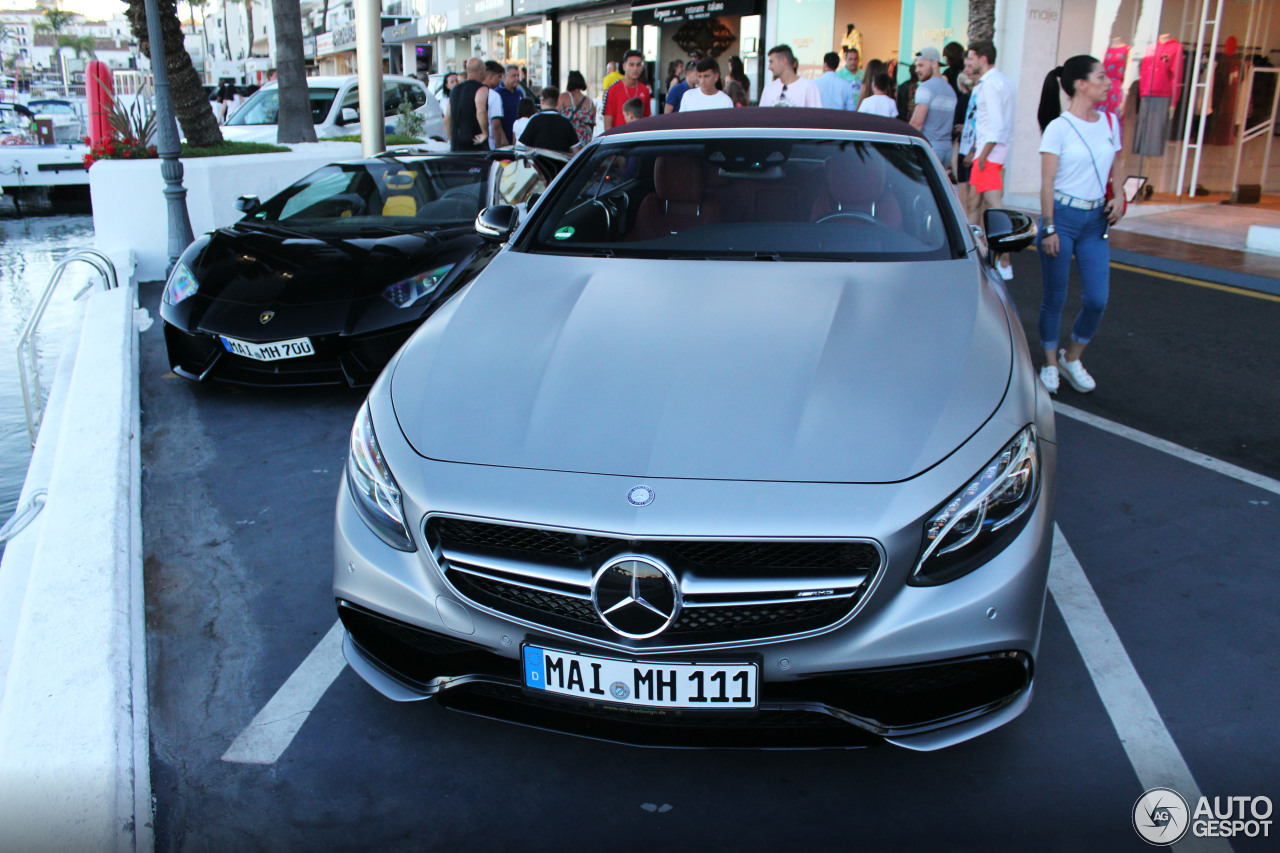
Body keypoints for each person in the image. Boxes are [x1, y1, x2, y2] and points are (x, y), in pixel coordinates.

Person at [1034, 55, 1125, 396]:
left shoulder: (1111, 123)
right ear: (1080, 84)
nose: (1108, 82)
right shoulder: (1059, 127)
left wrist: (1119, 197)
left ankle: (1072, 357)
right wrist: (1049, 227)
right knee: (1055, 297)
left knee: (1097, 299)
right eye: (1101, 77)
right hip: (1063, 217)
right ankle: (1049, 363)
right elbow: (1047, 183)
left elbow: (1117, 167)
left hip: (1096, 219)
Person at [963, 39, 1017, 279]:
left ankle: (1003, 261)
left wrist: (982, 154)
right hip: (992, 151)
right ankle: (977, 251)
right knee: (975, 201)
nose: (968, 62)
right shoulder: (1002, 82)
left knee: (992, 204)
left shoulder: (989, 85)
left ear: (983, 59)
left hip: (990, 153)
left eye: (971, 57)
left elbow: (995, 124)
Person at [910, 47, 957, 166]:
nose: (917, 70)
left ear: (935, 63)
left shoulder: (926, 87)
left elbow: (917, 123)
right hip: (946, 150)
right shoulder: (950, 90)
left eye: (921, 65)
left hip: (929, 148)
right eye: (916, 66)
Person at [520, 86, 580, 153]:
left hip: (539, 162)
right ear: (557, 102)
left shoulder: (534, 120)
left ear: (542, 101)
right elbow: (576, 150)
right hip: (561, 162)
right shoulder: (566, 122)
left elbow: (522, 146)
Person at [602, 49, 651, 130]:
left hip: (638, 138)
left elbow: (646, 119)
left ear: (642, 67)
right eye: (631, 65)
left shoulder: (645, 90)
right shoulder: (613, 90)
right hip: (619, 139)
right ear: (624, 66)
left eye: (638, 65)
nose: (635, 68)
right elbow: (607, 123)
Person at [446, 58, 487, 151]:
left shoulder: (454, 90)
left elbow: (447, 118)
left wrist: (451, 139)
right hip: (475, 142)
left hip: (457, 145)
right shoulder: (480, 89)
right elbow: (481, 110)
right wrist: (485, 133)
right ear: (481, 71)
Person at [557, 70, 595, 148]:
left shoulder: (563, 97)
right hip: (585, 139)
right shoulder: (590, 102)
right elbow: (592, 124)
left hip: (569, 138)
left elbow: (557, 117)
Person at [483, 60, 508, 149]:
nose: (501, 80)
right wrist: (498, 148)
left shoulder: (474, 92)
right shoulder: (494, 96)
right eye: (499, 76)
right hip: (490, 144)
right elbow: (496, 125)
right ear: (490, 76)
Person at [497, 64, 523, 143]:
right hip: (503, 140)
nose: (517, 78)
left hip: (518, 139)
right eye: (513, 76)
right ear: (505, 76)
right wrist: (502, 137)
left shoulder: (519, 93)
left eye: (518, 75)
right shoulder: (497, 93)